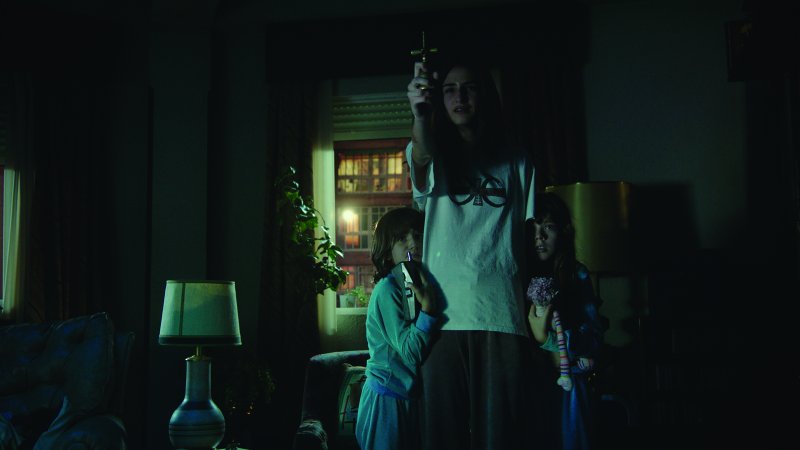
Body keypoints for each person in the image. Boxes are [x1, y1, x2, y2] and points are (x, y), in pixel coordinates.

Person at [405, 55, 538, 450]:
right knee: (441, 434)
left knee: (501, 436)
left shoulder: (518, 161)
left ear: (486, 96)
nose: (459, 97)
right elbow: (422, 152)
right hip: (444, 317)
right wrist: (420, 114)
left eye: (469, 88)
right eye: (449, 90)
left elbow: (530, 241)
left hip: (502, 316)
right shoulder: (432, 154)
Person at [526, 192, 607, 450]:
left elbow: (594, 339)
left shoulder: (576, 274)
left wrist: (552, 340)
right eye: (533, 227)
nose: (539, 236)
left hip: (568, 384)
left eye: (548, 227)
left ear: (562, 231)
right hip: (529, 383)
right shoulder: (515, 275)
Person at [355, 207, 440, 450]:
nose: (413, 243)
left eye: (417, 235)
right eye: (402, 238)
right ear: (387, 251)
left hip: (407, 397)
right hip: (386, 401)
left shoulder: (417, 282)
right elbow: (410, 351)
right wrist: (429, 311)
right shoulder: (388, 289)